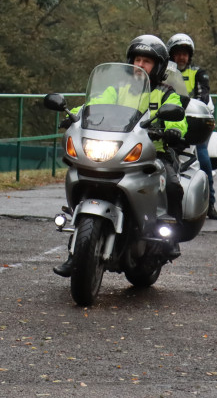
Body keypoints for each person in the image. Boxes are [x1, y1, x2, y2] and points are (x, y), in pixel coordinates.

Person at [54, 35, 188, 277]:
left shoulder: (167, 94)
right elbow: (94, 105)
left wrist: (175, 130)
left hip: (154, 152)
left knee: (172, 185)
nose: (140, 65)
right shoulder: (118, 90)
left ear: (157, 66)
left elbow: (181, 119)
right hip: (121, 151)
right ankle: (75, 255)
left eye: (146, 61)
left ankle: (171, 236)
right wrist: (74, 115)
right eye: (137, 59)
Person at [167, 33, 217, 220]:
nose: (182, 57)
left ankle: (210, 203)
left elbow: (203, 96)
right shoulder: (164, 73)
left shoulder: (198, 73)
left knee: (203, 160)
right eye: (178, 53)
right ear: (171, 54)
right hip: (168, 122)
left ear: (190, 55)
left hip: (193, 123)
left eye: (185, 53)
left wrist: (189, 108)